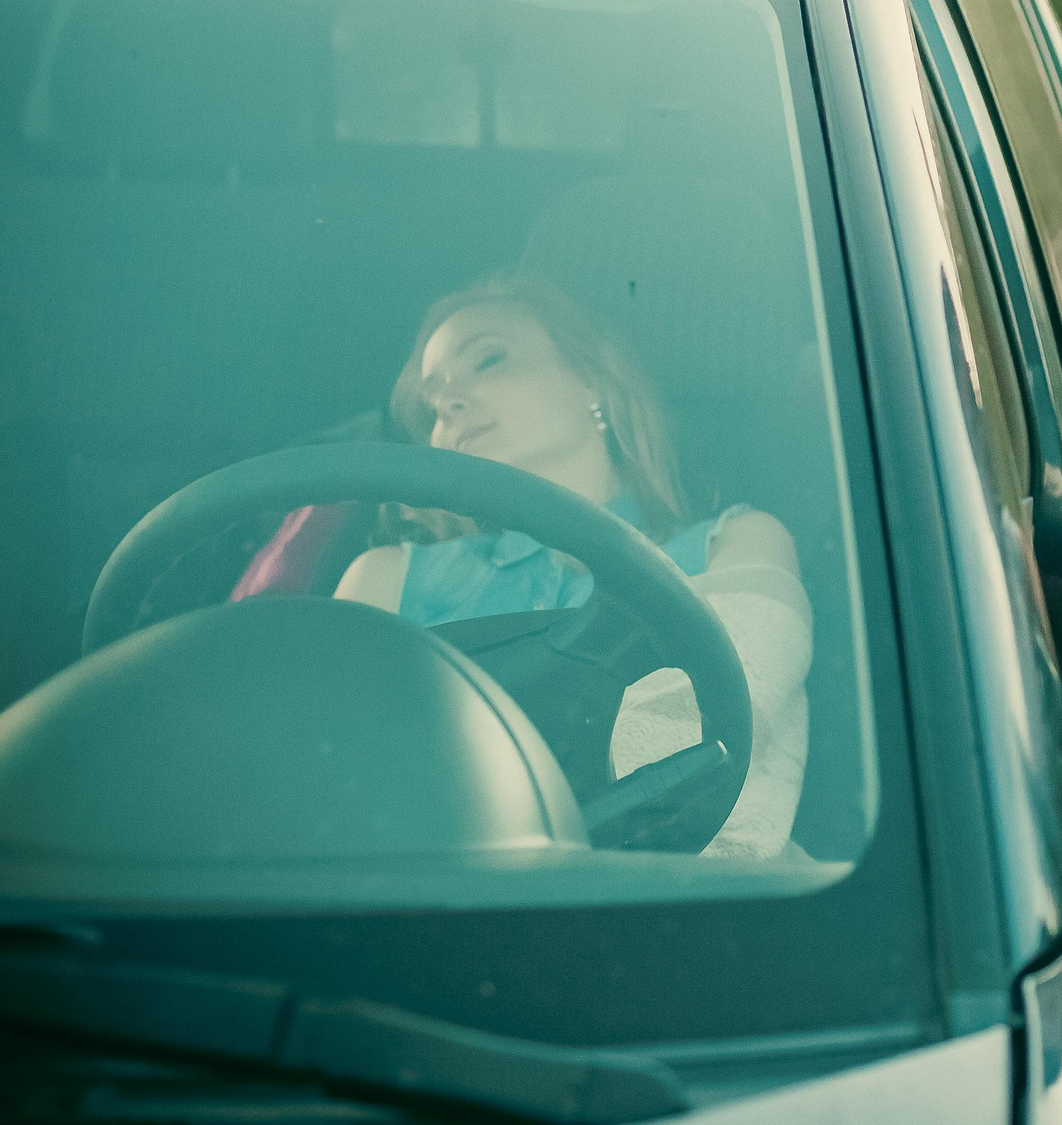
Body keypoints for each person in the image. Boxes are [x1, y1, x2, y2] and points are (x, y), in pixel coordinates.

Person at [337, 272, 812, 858]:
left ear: (593, 378)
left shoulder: (736, 541)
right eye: (432, 402)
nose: (449, 403)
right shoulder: (385, 576)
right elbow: (333, 787)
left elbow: (722, 760)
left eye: (487, 361)